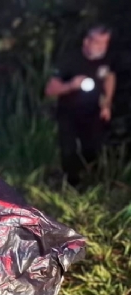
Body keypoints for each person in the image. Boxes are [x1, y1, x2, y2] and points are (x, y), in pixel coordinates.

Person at [45, 25, 116, 187]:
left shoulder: (106, 58)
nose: (101, 47)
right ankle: (71, 185)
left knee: (93, 148)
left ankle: (94, 184)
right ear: (87, 42)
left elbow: (109, 76)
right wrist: (71, 85)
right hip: (68, 112)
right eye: (98, 43)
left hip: (93, 112)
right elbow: (50, 90)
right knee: (68, 150)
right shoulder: (70, 59)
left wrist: (107, 104)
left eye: (105, 43)